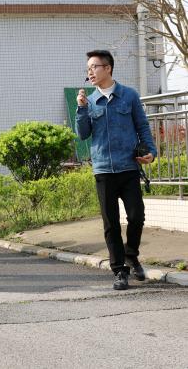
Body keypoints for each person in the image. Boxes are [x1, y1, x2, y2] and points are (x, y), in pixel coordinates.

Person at [76, 50, 156, 290]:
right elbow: (83, 134)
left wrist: (151, 152)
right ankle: (119, 270)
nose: (90, 72)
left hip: (129, 166)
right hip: (103, 170)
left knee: (136, 216)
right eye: (88, 69)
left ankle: (132, 255)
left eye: (94, 67)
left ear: (108, 68)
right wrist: (81, 109)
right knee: (110, 223)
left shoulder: (129, 96)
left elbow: (142, 126)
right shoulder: (90, 101)